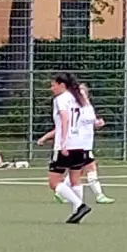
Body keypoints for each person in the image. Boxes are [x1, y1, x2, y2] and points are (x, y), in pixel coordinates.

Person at [47, 72, 92, 224]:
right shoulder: (78, 98)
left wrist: (63, 142)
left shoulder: (61, 99)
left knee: (54, 182)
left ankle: (79, 205)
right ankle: (76, 212)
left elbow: (65, 119)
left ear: (62, 85)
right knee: (75, 179)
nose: (51, 88)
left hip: (66, 145)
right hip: (80, 144)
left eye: (53, 85)